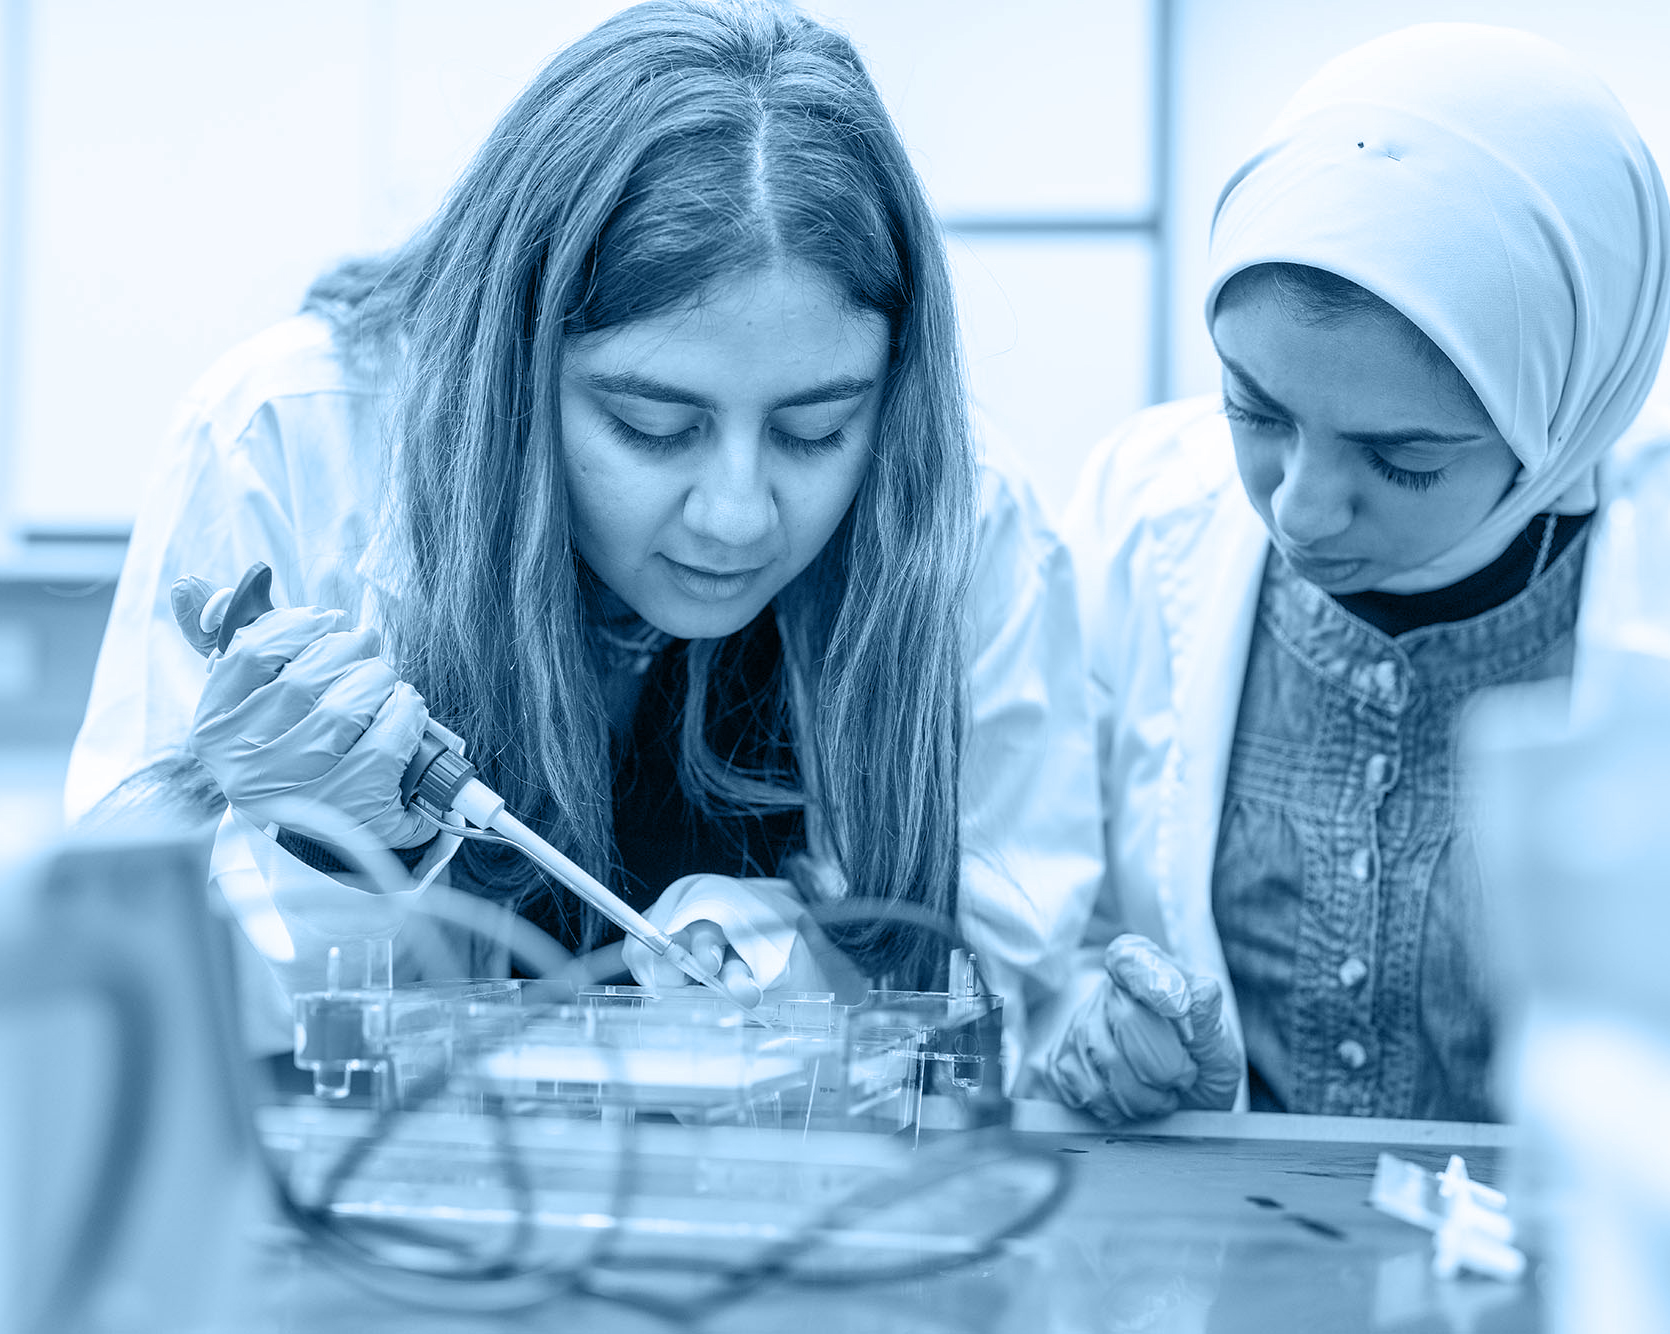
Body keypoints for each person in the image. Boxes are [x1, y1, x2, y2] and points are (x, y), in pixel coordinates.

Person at [65, 0, 1099, 1063]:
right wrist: (323, 863)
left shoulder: (963, 515)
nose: (735, 512)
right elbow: (106, 996)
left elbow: (1002, 979)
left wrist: (780, 958)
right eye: (652, 425)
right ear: (512, 362)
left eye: (815, 428)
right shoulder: (288, 440)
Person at [1045, 24, 1670, 1121]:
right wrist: (1119, 1046)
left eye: (1399, 461)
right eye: (1252, 410)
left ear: (1563, 417)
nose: (1298, 506)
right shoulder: (1139, 511)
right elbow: (1040, 928)